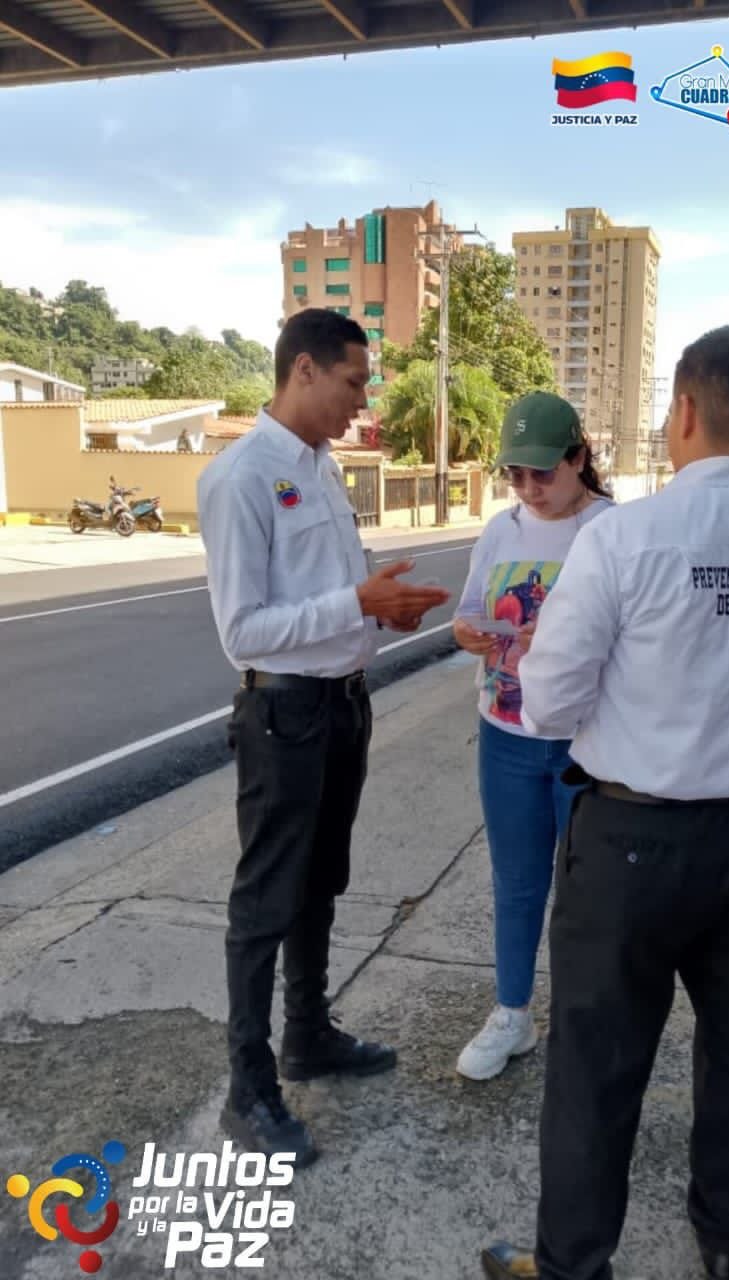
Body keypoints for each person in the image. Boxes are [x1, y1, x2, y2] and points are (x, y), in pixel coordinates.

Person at [482, 326, 729, 1280]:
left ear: (686, 411)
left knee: (596, 1066)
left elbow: (551, 703)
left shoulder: (622, 539)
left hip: (635, 842)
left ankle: (575, 1263)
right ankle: (727, 1243)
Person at [198, 308, 449, 1169]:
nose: (361, 401)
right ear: (303, 370)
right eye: (353, 382)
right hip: (285, 717)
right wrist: (355, 604)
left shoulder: (321, 467)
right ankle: (249, 1087)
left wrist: (382, 611)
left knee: (321, 883)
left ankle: (307, 1035)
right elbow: (244, 631)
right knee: (266, 899)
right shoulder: (241, 477)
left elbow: (330, 595)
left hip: (342, 706)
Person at [452, 392, 613, 1081]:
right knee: (517, 884)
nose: (528, 488)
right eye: (514, 474)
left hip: (589, 743)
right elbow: (467, 613)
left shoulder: (611, 531)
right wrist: (471, 635)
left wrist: (565, 637)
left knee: (590, 894)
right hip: (506, 735)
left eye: (542, 472)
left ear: (578, 458)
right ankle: (512, 1014)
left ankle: (585, 1022)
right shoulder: (500, 531)